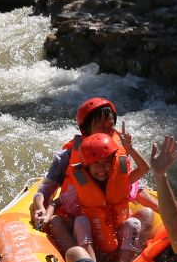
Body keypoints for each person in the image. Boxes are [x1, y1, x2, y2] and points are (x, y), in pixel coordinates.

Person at [30, 97, 155, 252]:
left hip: (113, 223)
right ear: (85, 129)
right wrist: (40, 207)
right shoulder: (67, 156)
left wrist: (162, 209)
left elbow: (131, 184)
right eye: (100, 126)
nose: (107, 131)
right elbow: (46, 191)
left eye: (110, 126)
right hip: (79, 223)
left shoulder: (117, 155)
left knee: (147, 215)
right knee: (57, 222)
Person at [61, 129, 150, 262]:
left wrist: (130, 149)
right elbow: (66, 210)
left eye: (107, 162)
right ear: (86, 165)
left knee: (134, 223)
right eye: (96, 163)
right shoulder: (79, 186)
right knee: (81, 221)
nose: (102, 168)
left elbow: (144, 168)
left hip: (118, 238)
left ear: (113, 162)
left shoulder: (121, 180)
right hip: (93, 242)